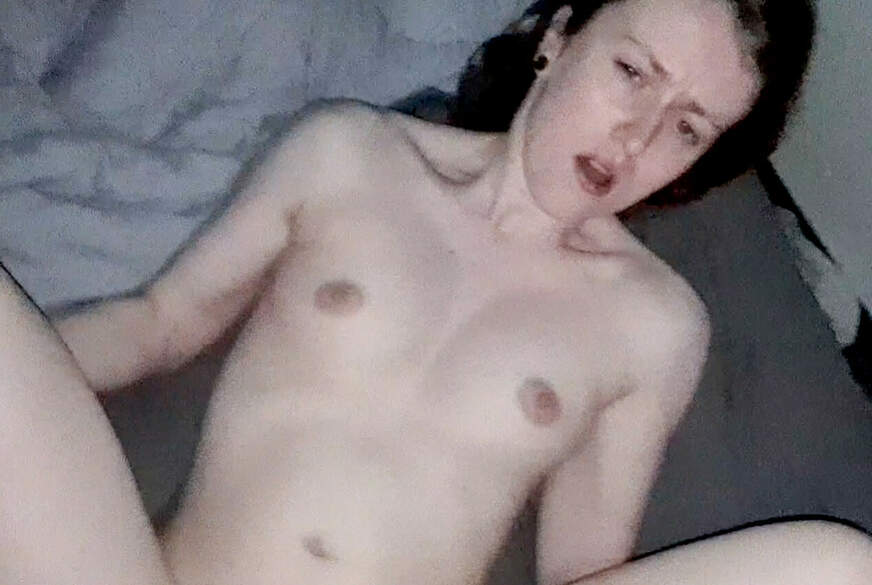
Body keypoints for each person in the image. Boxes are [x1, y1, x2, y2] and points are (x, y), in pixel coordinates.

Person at [3, 0, 870, 584]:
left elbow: (585, 574)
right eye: (633, 73)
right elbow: (158, 322)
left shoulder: (654, 324)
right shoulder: (348, 151)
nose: (636, 139)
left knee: (840, 566)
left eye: (686, 128)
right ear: (559, 36)